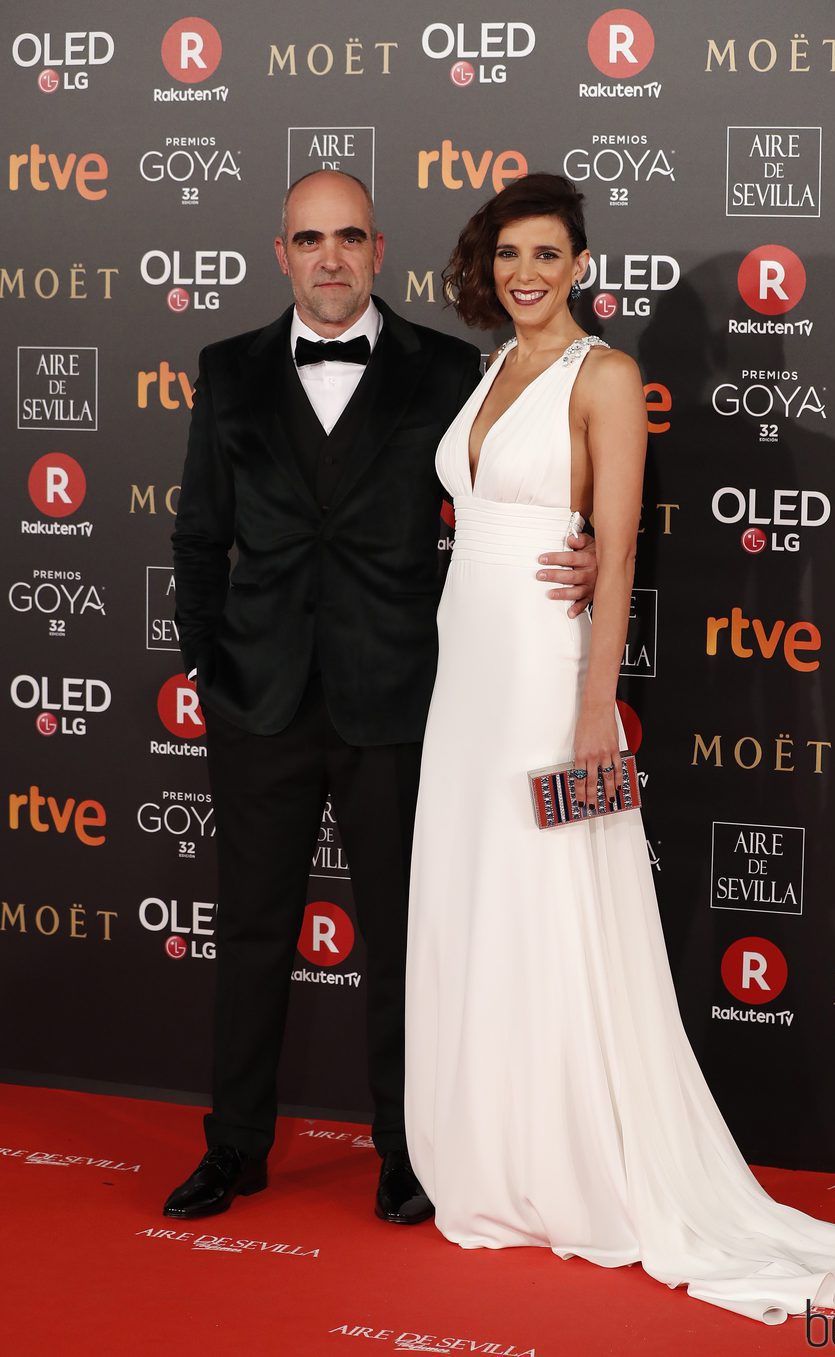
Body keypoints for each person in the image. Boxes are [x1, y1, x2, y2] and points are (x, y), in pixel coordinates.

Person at [403, 173, 835, 1321]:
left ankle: (578, 1162)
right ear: (485, 262)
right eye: (509, 254)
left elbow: (611, 557)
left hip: (553, 687)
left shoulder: (602, 375)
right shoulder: (488, 369)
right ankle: (491, 1154)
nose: (526, 275)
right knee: (480, 899)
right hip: (468, 679)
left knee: (560, 901)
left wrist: (593, 709)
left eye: (547, 255)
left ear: (580, 265)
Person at [164, 170, 597, 1225]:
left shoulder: (450, 369)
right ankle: (234, 1146)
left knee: (409, 940)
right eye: (307, 238)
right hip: (257, 702)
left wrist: (577, 550)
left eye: (347, 235)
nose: (328, 256)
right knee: (254, 930)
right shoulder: (225, 371)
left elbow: (520, 490)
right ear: (280, 253)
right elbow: (198, 537)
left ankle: (407, 1154)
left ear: (376, 247)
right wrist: (212, 668)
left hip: (402, 701)